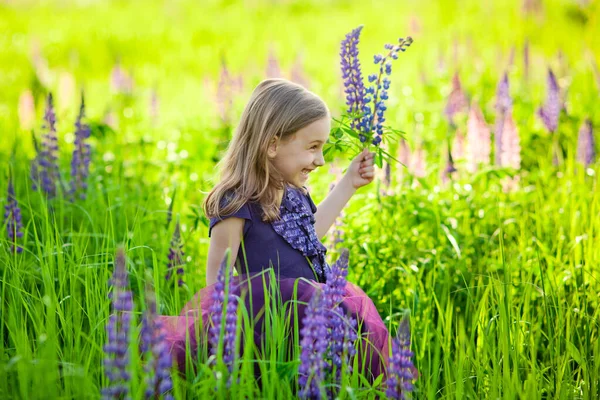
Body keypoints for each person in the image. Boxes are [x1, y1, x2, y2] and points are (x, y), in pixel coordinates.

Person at [158, 78, 390, 387]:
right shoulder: (236, 203)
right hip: (265, 332)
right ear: (272, 144)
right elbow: (217, 285)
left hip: (313, 323)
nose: (320, 160)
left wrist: (347, 184)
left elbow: (309, 236)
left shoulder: (294, 193)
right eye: (313, 147)